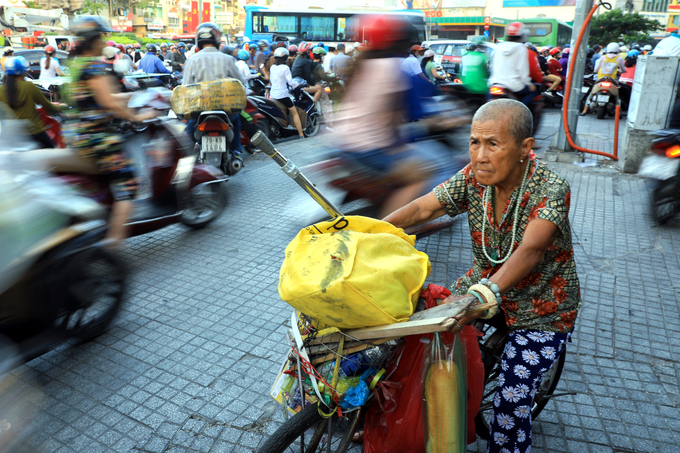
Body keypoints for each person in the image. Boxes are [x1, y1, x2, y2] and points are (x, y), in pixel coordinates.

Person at [383, 99, 581, 453]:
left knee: (510, 400)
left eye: (493, 144)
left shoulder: (552, 189)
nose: (480, 155)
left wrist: (483, 296)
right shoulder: (473, 178)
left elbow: (531, 250)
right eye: (474, 142)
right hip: (483, 281)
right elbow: (424, 207)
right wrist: (367, 230)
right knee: (415, 339)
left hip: (542, 306)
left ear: (524, 149)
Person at [62, 16, 156, 248]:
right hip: (97, 137)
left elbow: (95, 98)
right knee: (130, 182)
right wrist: (139, 116)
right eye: (102, 36)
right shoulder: (94, 65)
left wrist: (131, 96)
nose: (104, 40)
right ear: (93, 39)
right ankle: (113, 243)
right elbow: (108, 104)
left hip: (76, 133)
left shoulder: (75, 65)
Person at [182, 22, 244, 155]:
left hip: (200, 109)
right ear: (217, 40)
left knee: (189, 132)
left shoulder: (193, 60)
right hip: (225, 109)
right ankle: (236, 149)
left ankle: (185, 155)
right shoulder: (228, 59)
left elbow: (185, 86)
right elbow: (240, 83)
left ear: (199, 40)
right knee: (237, 119)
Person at [0, 56, 64, 148]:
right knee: (52, 153)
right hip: (35, 133)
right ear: (23, 71)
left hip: (12, 136)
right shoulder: (29, 86)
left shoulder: (1, 90)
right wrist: (63, 106)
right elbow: (48, 107)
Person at [487, 22, 541, 107]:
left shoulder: (499, 47)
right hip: (514, 85)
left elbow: (492, 67)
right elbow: (522, 71)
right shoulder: (521, 49)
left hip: (496, 83)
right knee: (533, 91)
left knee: (488, 105)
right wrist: (528, 83)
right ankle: (520, 111)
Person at [580, 42, 626, 116]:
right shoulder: (619, 58)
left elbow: (597, 68)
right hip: (612, 80)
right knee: (617, 97)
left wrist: (595, 71)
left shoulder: (603, 57)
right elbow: (623, 69)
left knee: (591, 95)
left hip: (601, 78)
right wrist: (623, 71)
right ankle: (619, 112)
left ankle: (584, 111)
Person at [269, 47, 304, 139]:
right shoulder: (285, 68)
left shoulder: (272, 67)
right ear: (285, 57)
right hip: (283, 95)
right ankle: (301, 134)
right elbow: (291, 83)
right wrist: (298, 84)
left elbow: (272, 80)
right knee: (295, 113)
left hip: (273, 95)